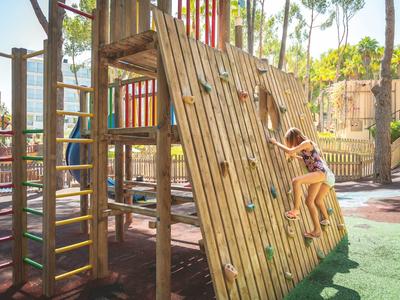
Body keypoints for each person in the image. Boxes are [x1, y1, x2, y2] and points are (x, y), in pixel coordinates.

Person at [267, 127, 335, 239]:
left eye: (292, 141)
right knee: (309, 202)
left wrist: (276, 143)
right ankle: (317, 230)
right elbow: (306, 159)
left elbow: (290, 151)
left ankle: (296, 210)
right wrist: (296, 157)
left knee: (296, 181)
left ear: (297, 137)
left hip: (319, 173)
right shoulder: (304, 149)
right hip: (318, 174)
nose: (292, 144)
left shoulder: (306, 142)